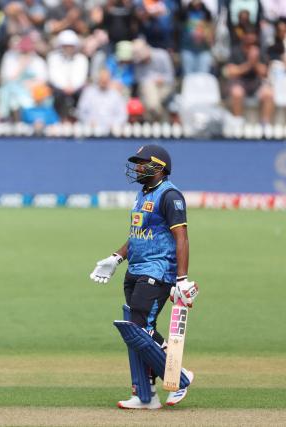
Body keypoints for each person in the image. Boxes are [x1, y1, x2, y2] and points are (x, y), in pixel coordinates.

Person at [89, 145, 199, 409]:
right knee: (138, 329)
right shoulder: (143, 194)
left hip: (158, 270)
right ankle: (145, 395)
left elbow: (181, 237)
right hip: (135, 270)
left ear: (159, 167)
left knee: (138, 329)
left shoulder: (170, 195)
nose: (137, 167)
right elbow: (138, 234)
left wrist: (181, 279)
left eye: (143, 163)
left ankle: (180, 377)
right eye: (136, 163)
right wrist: (116, 258)